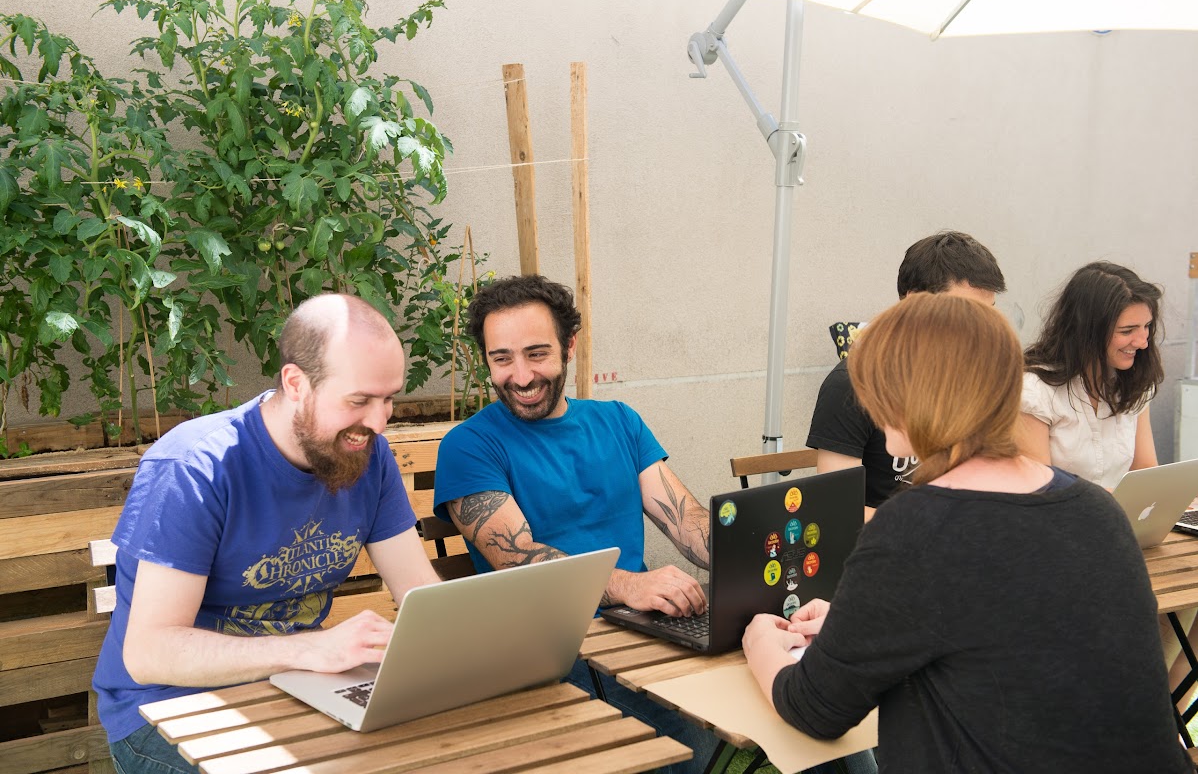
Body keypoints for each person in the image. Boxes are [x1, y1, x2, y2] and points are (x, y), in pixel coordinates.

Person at [742, 293, 1189, 773]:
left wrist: (760, 642)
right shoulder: (1096, 509)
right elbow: (998, 629)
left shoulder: (914, 527)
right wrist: (858, 624)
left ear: (907, 397)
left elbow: (816, 707)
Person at [93, 294, 442, 774]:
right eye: (359, 401)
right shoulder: (195, 468)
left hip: (299, 688)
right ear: (296, 383)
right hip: (168, 711)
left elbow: (421, 595)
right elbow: (150, 653)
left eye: (388, 399)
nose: (379, 422)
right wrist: (308, 649)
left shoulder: (366, 454)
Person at [432, 274, 715, 773]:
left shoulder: (618, 420)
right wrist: (630, 585)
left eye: (537, 354)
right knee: (680, 752)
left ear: (569, 347)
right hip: (547, 648)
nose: (521, 376)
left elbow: (685, 521)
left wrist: (759, 559)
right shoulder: (469, 446)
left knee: (808, 694)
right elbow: (520, 561)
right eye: (502, 359)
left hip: (641, 632)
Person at [806, 230, 1006, 519]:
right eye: (965, 312)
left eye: (988, 314)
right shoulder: (852, 384)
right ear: (914, 303)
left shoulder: (974, 376)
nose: (980, 329)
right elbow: (836, 509)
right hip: (887, 538)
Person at [1020, 260, 1163, 490]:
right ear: (1087, 330)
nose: (1142, 342)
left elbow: (1145, 471)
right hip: (1064, 514)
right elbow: (1040, 490)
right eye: (1127, 331)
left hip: (1119, 512)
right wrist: (1111, 499)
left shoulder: (1135, 381)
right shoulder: (1034, 391)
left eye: (1146, 326)